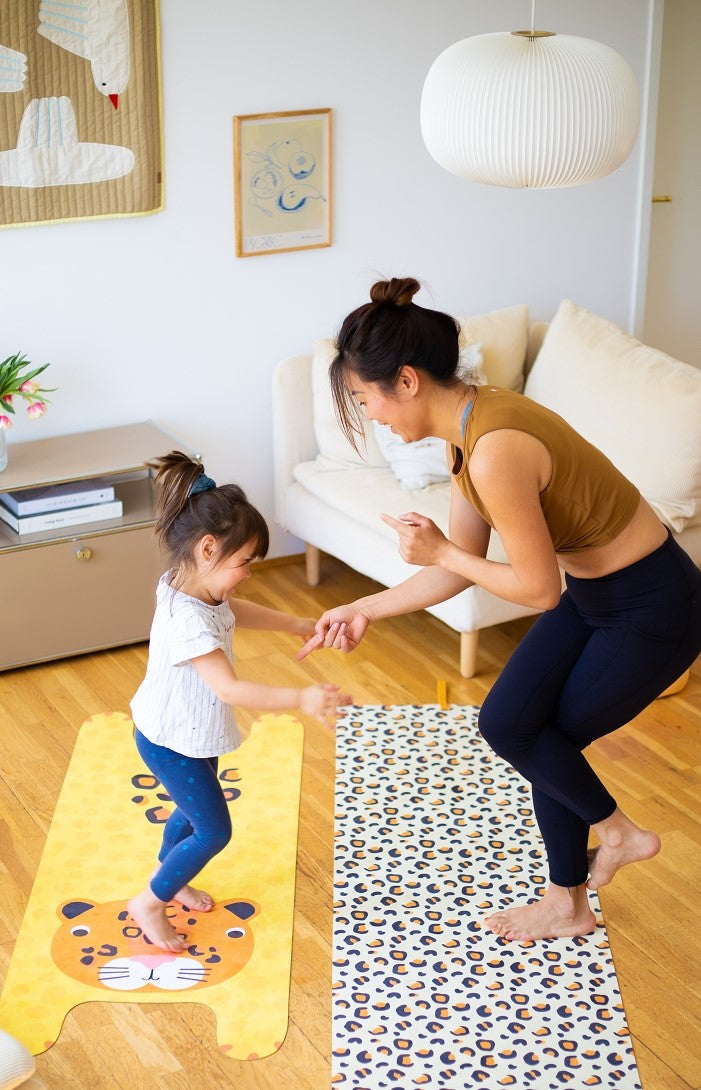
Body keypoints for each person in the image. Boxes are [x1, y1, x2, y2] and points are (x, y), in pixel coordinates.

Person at [297, 276, 701, 942]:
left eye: (366, 398)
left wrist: (441, 554)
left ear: (405, 381)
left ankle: (609, 849)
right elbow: (457, 563)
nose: (370, 415)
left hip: (652, 610)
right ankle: (575, 893)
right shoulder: (467, 432)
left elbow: (533, 589)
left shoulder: (494, 450)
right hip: (598, 595)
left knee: (533, 733)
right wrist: (367, 606)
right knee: (511, 720)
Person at [128, 451, 351, 952]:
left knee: (189, 814)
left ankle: (171, 879)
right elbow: (229, 689)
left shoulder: (191, 585)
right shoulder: (188, 621)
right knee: (212, 830)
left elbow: (235, 609)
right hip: (169, 740)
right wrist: (303, 696)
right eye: (243, 562)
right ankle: (149, 900)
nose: (248, 572)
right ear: (208, 548)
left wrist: (295, 623)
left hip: (187, 731)